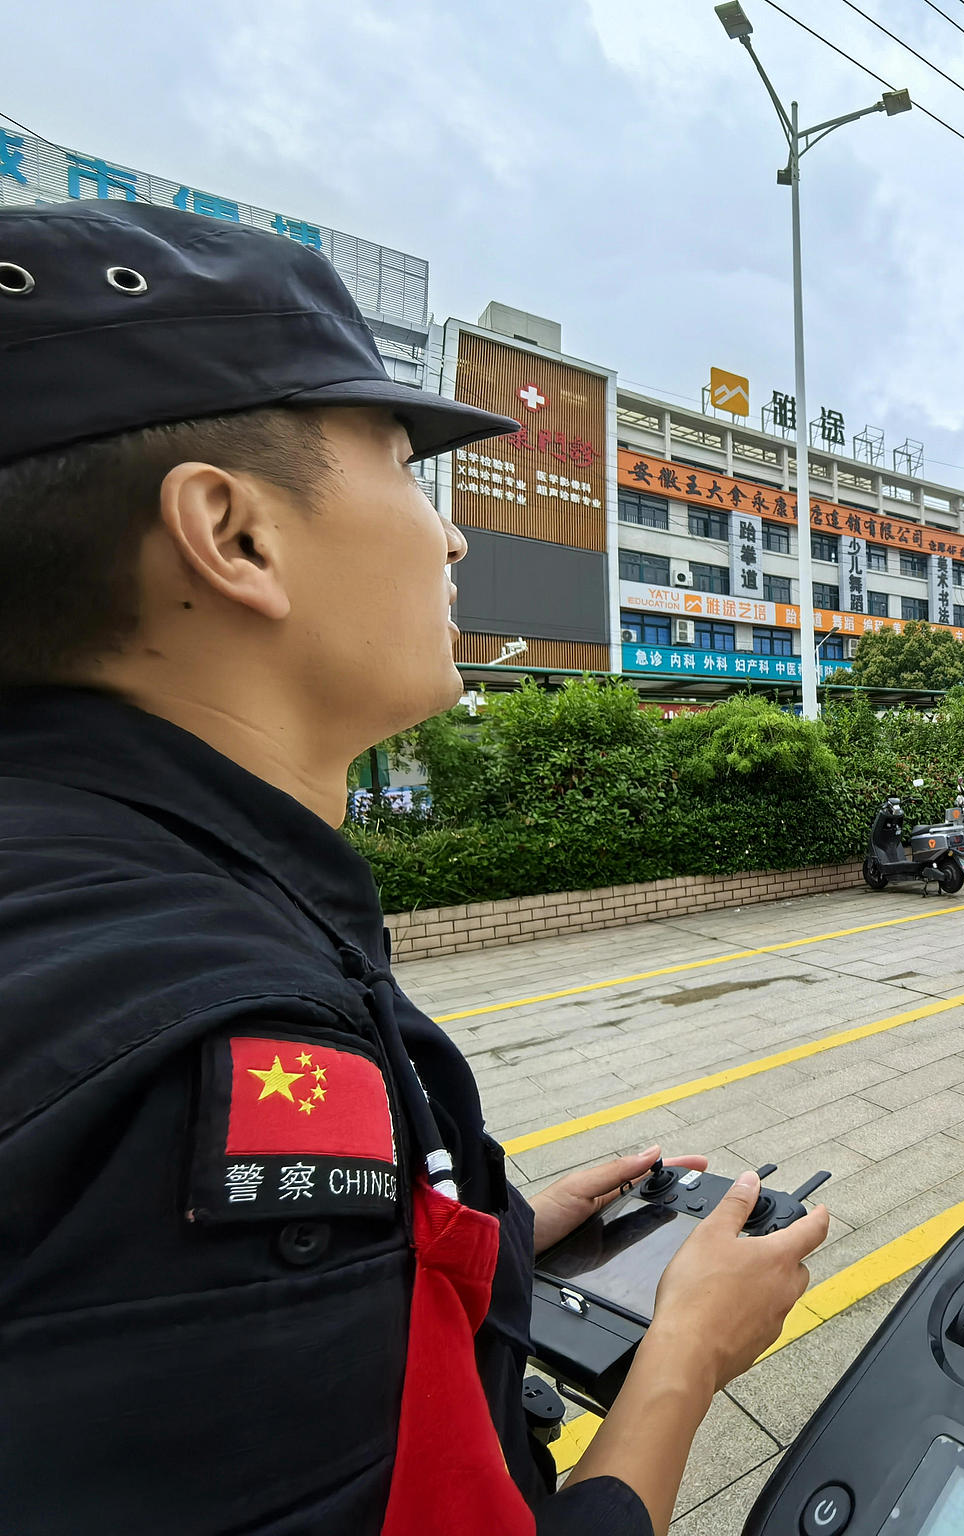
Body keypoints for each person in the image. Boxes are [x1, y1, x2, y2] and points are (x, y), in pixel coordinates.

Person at [0, 202, 828, 1535]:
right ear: (234, 533)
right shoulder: (208, 1059)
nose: (448, 539)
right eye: (401, 469)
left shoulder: (86, 887)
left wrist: (472, 1232)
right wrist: (686, 1361)